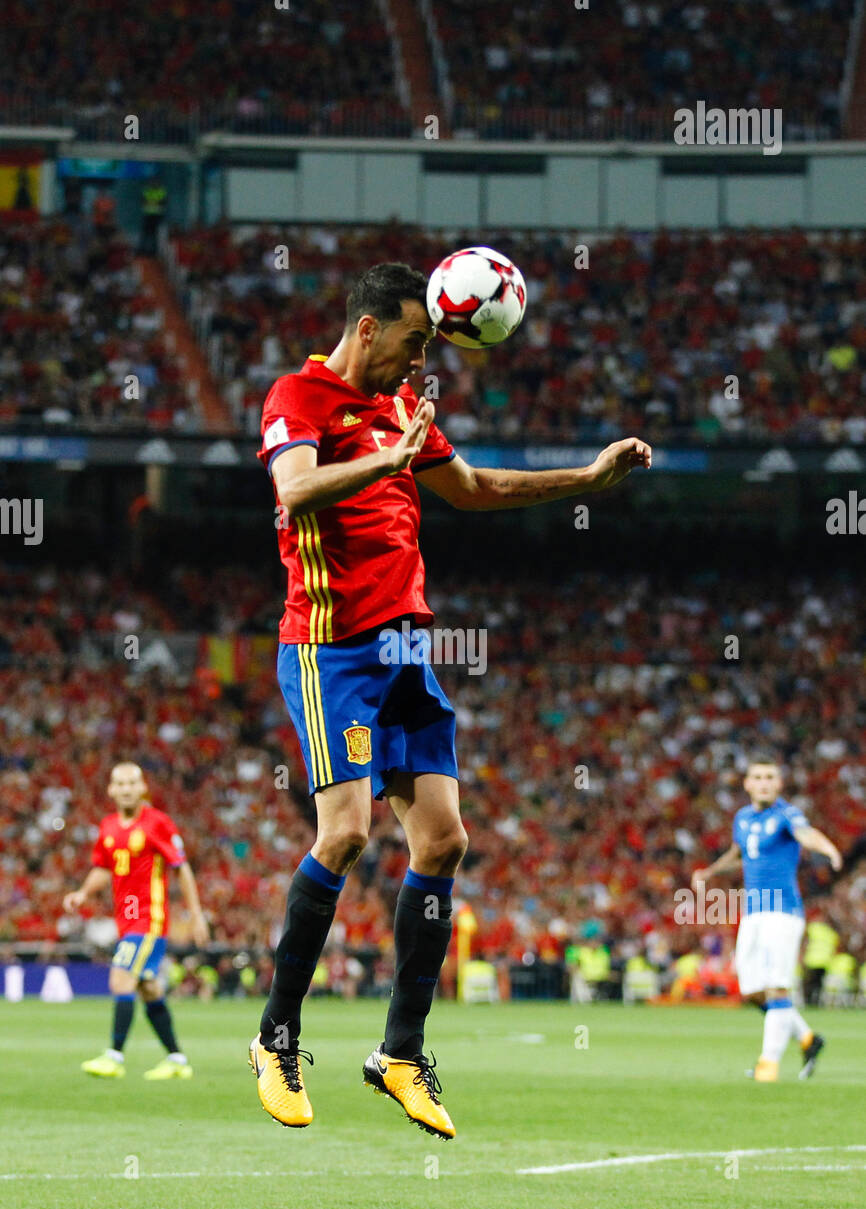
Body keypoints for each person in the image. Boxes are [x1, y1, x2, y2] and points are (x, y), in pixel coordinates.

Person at [251, 260, 651, 1137]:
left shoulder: (404, 410)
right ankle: (275, 1037)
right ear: (367, 329)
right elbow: (293, 488)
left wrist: (584, 479)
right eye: (413, 339)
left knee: (443, 840)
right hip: (329, 649)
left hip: (403, 648)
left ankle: (399, 1053)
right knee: (347, 831)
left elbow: (472, 489)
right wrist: (388, 459)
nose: (421, 357)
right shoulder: (300, 396)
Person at [691, 757, 842, 1082]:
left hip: (782, 912)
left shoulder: (786, 814)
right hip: (754, 913)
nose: (763, 782)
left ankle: (767, 1065)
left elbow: (805, 833)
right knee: (751, 990)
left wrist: (827, 847)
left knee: (776, 987)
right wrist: (711, 871)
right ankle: (807, 1039)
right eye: (757, 777)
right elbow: (740, 852)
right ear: (747, 784)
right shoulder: (743, 818)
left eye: (769, 777)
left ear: (779, 784)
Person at [63, 762, 209, 1079]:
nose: (127, 789)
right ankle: (177, 1060)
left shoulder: (158, 823)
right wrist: (83, 893)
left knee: (121, 978)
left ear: (142, 787)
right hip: (127, 920)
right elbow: (104, 867)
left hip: (149, 919)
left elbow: (181, 867)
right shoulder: (108, 826)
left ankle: (114, 1057)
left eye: (133, 783)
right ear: (111, 790)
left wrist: (196, 915)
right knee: (148, 987)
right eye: (120, 783)